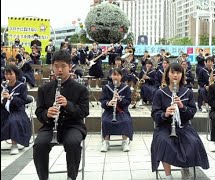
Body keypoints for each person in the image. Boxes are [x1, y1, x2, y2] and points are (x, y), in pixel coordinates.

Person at [33, 50, 89, 180]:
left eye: (63, 66)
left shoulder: (80, 89)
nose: (59, 70)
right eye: (56, 66)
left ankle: (71, 176)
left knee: (73, 143)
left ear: (70, 67)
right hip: (50, 126)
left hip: (73, 126)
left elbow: (84, 111)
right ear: (52, 67)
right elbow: (39, 112)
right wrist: (47, 113)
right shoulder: (44, 89)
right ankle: (43, 177)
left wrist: (68, 105)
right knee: (39, 144)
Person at [151, 62, 209, 179]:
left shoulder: (187, 92)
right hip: (164, 127)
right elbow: (155, 114)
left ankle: (185, 168)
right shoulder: (160, 93)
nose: (175, 75)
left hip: (184, 126)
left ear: (182, 75)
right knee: (164, 142)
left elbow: (192, 112)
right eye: (172, 72)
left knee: (192, 142)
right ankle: (168, 176)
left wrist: (182, 106)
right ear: (168, 75)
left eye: (178, 73)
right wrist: (165, 114)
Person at [100, 68, 133, 152]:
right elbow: (102, 101)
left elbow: (128, 102)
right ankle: (106, 142)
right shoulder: (107, 88)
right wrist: (108, 103)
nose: (116, 77)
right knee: (106, 121)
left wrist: (119, 99)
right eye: (114, 75)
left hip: (122, 111)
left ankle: (124, 141)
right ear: (111, 76)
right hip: (109, 111)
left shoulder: (126, 88)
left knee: (125, 121)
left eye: (118, 75)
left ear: (121, 77)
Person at [1, 64, 31, 155]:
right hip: (4, 110)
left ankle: (14, 144)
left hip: (17, 111)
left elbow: (23, 101)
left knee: (13, 121)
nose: (8, 76)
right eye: (6, 74)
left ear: (16, 74)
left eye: (10, 74)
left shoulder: (22, 86)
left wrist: (11, 98)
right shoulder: (2, 86)